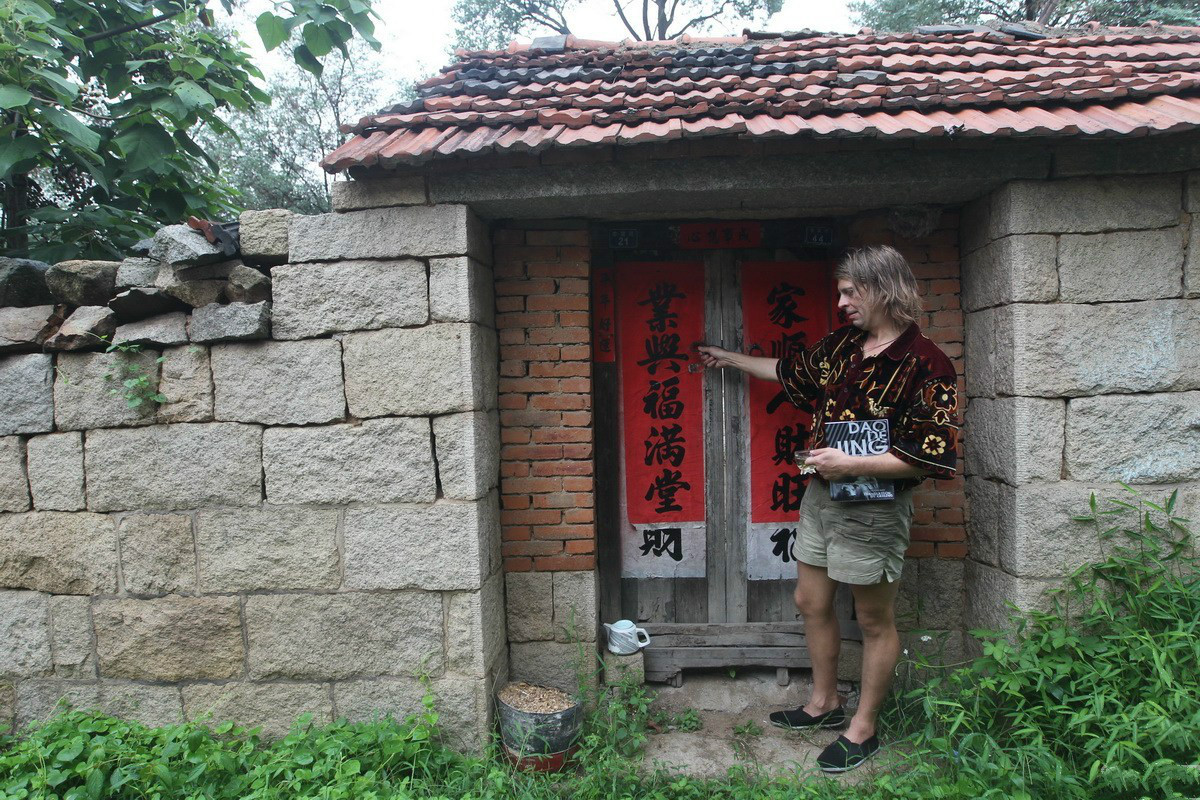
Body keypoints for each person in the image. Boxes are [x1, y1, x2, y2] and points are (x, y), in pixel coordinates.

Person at [697, 244, 960, 773]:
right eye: (840, 292)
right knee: (811, 599)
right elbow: (790, 369)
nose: (841, 303)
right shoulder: (844, 345)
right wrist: (729, 359)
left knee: (873, 618)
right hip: (823, 495)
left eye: (849, 292)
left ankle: (863, 728)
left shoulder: (927, 363)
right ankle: (823, 703)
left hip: (876, 509)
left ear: (883, 288)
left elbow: (931, 455)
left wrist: (852, 465)